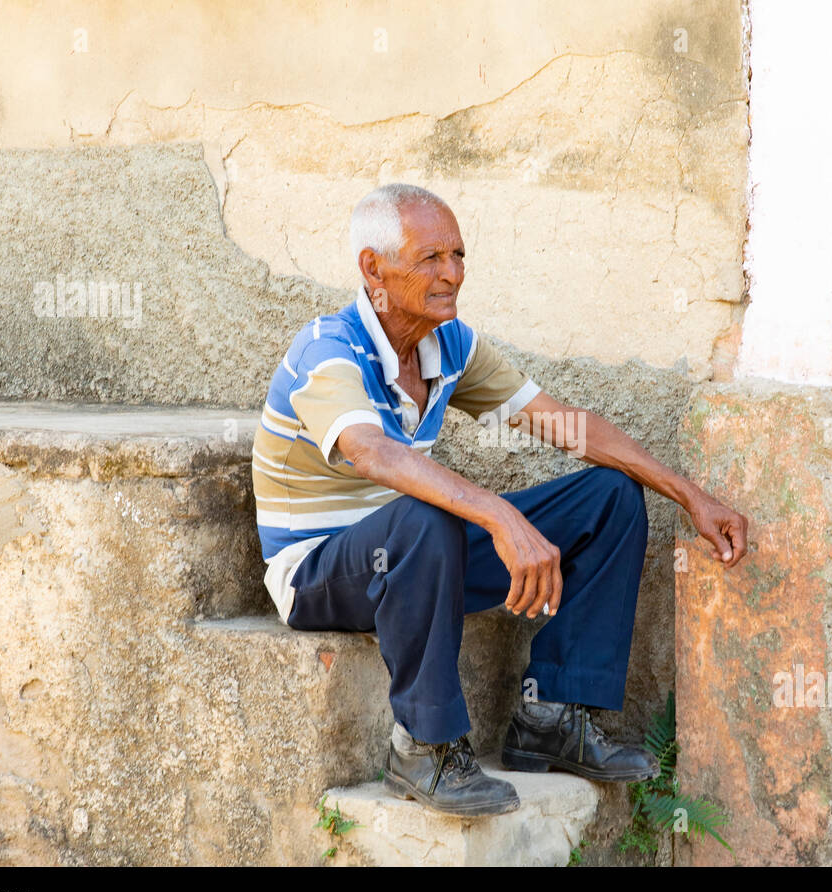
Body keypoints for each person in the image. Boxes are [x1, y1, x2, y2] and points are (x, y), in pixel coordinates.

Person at [251, 183, 751, 816]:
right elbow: (371, 451)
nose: (452, 274)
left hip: (416, 559)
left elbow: (566, 425)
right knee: (427, 515)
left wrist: (690, 496)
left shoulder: (449, 345)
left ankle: (552, 716)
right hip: (323, 572)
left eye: (458, 255)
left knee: (609, 496)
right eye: (430, 258)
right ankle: (424, 749)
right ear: (372, 267)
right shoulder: (328, 347)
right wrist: (497, 511)